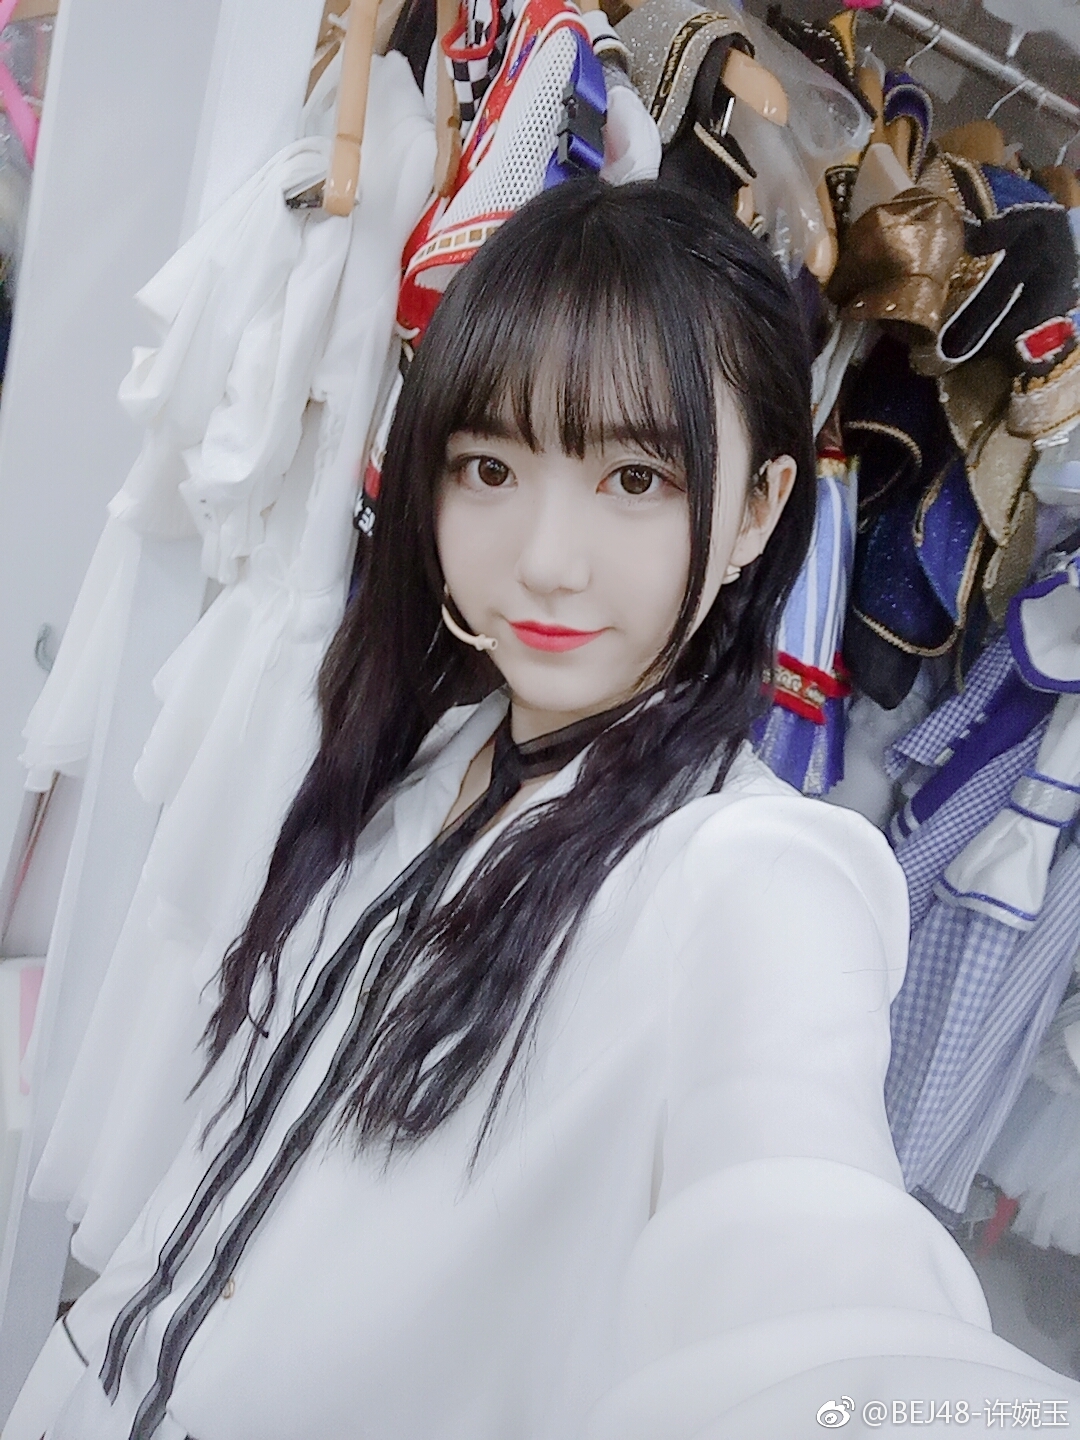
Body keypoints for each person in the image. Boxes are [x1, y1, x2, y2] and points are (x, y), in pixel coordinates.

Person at [8, 178, 1079, 1440]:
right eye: (489, 468)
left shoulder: (750, 876)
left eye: (635, 477)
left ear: (757, 510)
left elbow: (818, 1263)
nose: (545, 561)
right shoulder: (431, 754)